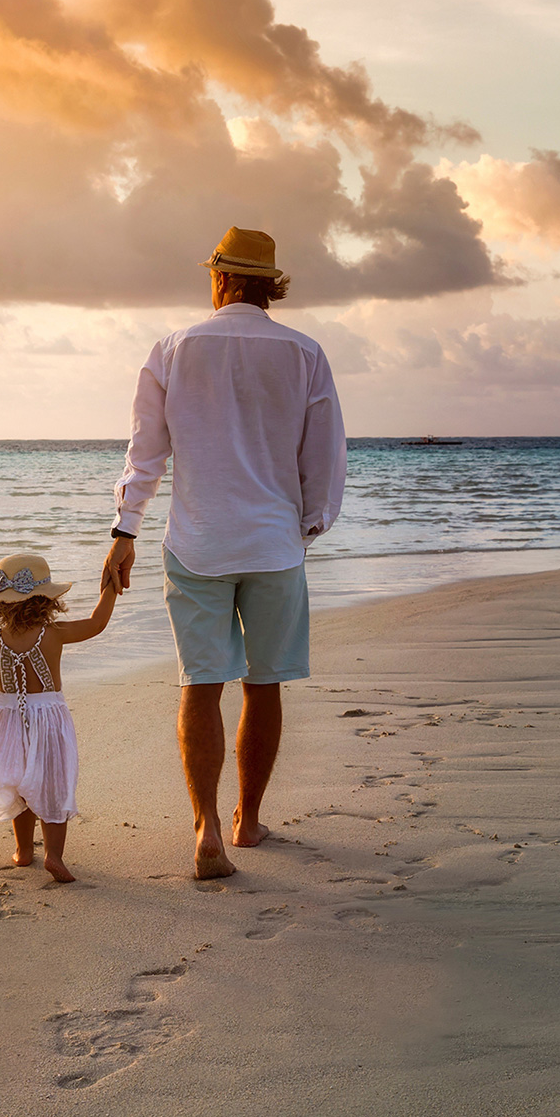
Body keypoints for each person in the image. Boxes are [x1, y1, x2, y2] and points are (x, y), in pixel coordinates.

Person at [101, 227, 346, 880]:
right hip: (272, 543)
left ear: (220, 280)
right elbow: (322, 455)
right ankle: (247, 819)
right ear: (269, 285)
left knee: (200, 683)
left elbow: (145, 452)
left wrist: (124, 531)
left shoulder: (173, 349)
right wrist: (308, 526)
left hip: (196, 542)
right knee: (263, 685)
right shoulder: (304, 353)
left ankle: (206, 824)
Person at [0, 552, 116, 884]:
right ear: (46, 600)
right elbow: (96, 623)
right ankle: (54, 855)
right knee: (52, 784)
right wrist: (110, 588)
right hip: (48, 716)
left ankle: (22, 851)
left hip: (8, 718)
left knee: (18, 782)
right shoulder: (55, 634)